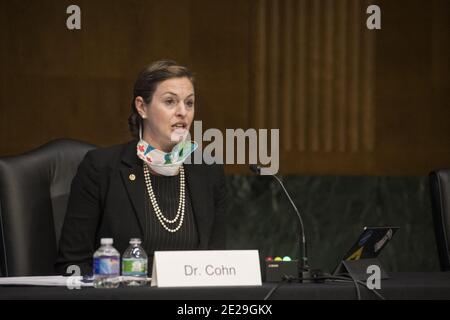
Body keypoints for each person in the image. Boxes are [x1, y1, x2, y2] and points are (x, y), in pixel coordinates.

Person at [55, 60, 228, 275]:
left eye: (189, 103)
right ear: (142, 107)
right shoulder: (101, 169)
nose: (183, 112)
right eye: (170, 102)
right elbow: (72, 264)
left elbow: (219, 262)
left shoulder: (207, 171)